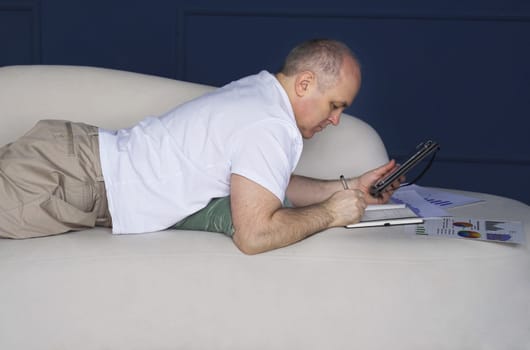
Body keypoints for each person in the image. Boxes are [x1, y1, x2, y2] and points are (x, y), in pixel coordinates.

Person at [0, 39, 402, 254]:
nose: (335, 120)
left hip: (72, 162)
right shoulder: (269, 123)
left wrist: (346, 188)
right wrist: (331, 214)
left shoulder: (260, 94)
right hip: (69, 179)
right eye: (335, 106)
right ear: (304, 84)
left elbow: (267, 180)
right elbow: (256, 236)